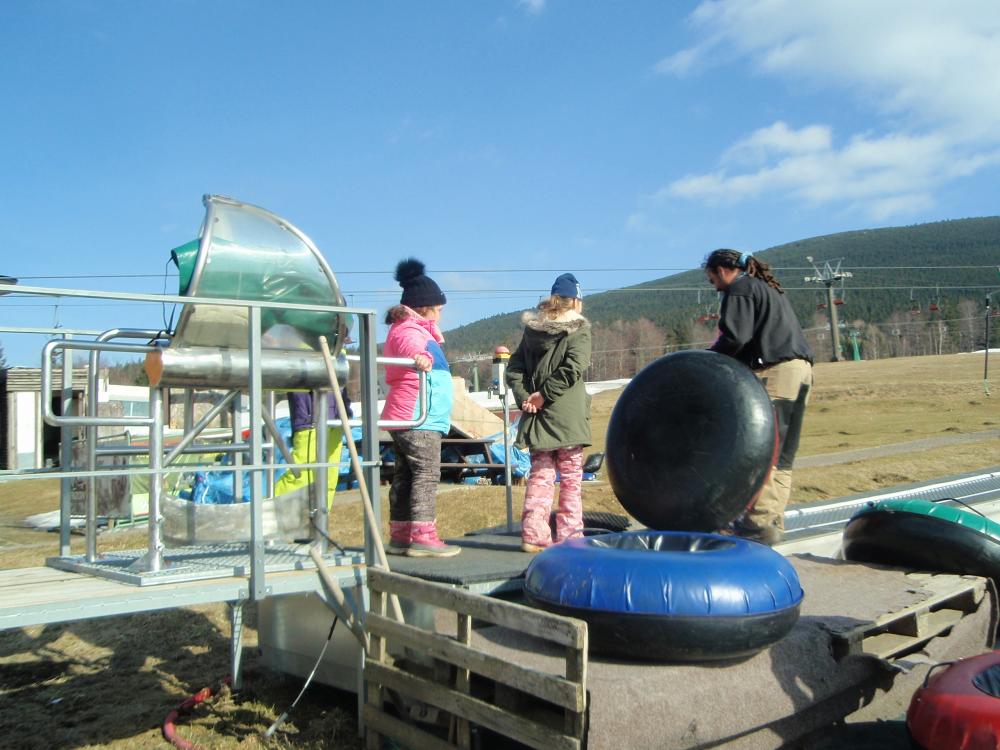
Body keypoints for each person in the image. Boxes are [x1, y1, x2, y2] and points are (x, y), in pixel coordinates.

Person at [704, 248, 814, 546]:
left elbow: (736, 337)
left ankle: (757, 524)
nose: (714, 286)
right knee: (784, 455)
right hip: (802, 371)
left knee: (765, 450)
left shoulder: (740, 288)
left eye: (712, 279)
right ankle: (772, 521)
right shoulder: (766, 288)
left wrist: (708, 359)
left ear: (722, 270)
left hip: (777, 372)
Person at [506, 273, 592, 553]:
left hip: (538, 417)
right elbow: (573, 367)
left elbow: (514, 368)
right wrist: (544, 395)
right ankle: (570, 536)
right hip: (568, 418)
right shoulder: (579, 329)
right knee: (570, 479)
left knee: (540, 476)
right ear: (576, 301)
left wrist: (526, 399)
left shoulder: (532, 331)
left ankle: (533, 534)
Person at [380, 258, 460, 558]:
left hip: (408, 415)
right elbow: (409, 346)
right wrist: (420, 356)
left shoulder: (409, 329)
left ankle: (401, 534)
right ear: (425, 308)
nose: (440, 315)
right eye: (438, 309)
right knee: (426, 473)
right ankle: (423, 536)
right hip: (420, 415)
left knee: (406, 475)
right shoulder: (410, 330)